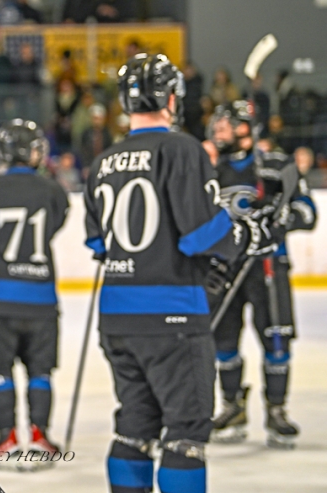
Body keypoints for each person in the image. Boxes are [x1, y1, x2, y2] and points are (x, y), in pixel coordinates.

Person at [84, 54, 280, 493]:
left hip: (116, 317)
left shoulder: (103, 161)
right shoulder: (183, 148)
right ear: (172, 97)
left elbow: (98, 244)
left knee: (133, 428)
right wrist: (247, 236)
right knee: (186, 433)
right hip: (172, 317)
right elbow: (200, 236)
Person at [208, 100, 317, 449]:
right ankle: (233, 407)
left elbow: (307, 211)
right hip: (224, 267)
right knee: (223, 342)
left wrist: (283, 217)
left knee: (276, 339)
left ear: (245, 129)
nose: (218, 132)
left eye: (226, 125)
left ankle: (276, 410)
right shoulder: (211, 172)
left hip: (268, 266)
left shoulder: (276, 165)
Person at [0, 119, 69, 468]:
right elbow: (55, 223)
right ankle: (39, 435)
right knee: (41, 371)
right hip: (42, 298)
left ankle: (5, 436)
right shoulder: (53, 190)